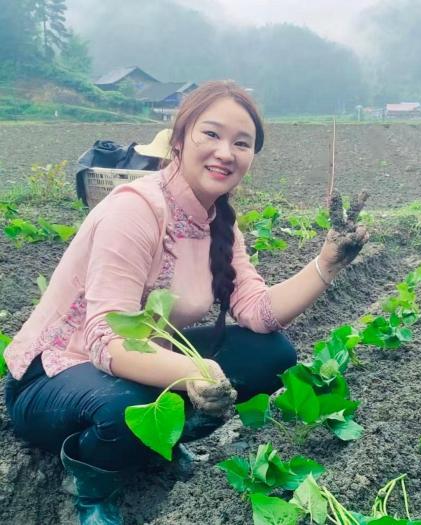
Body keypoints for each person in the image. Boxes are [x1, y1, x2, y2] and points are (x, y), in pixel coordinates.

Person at [3, 80, 369, 525]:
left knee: (271, 354)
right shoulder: (135, 209)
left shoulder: (219, 223)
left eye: (241, 143)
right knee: (127, 404)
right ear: (178, 139)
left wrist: (327, 264)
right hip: (53, 377)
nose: (225, 152)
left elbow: (258, 312)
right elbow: (104, 339)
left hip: (133, 365)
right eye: (211, 134)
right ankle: (93, 488)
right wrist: (192, 372)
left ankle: (159, 443)